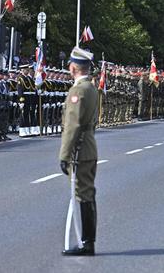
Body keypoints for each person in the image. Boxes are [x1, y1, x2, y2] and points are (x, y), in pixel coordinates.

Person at [59, 46, 99, 256]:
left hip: (80, 149)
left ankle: (87, 243)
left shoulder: (78, 90)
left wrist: (64, 155)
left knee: (83, 194)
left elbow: (72, 124)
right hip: (89, 145)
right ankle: (88, 240)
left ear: (74, 67)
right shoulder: (91, 88)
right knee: (88, 193)